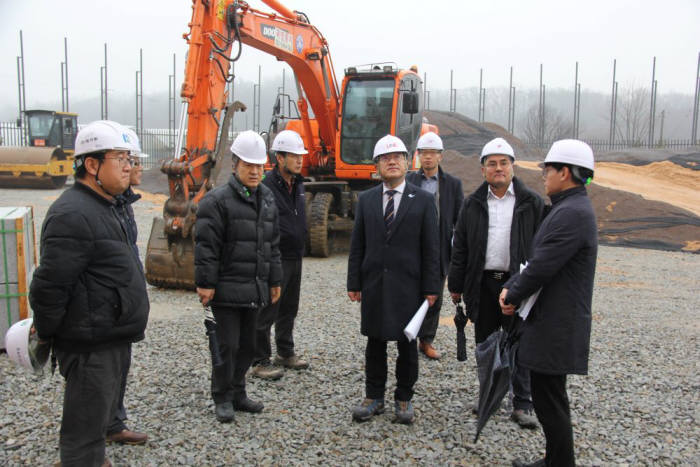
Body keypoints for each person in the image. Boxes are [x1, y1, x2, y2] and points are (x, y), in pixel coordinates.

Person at [29, 120, 150, 467]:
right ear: (92, 165)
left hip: (110, 331)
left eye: (130, 158)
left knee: (100, 407)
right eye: (120, 158)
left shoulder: (109, 204)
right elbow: (50, 285)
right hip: (88, 340)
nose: (129, 166)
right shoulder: (72, 214)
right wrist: (48, 333)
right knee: (84, 420)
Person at [501, 140, 597, 467]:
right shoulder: (568, 207)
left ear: (565, 172)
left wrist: (510, 293)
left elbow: (542, 265)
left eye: (549, 169)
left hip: (557, 323)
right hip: (552, 319)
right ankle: (555, 460)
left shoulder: (572, 213)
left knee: (550, 401)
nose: (544, 175)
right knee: (549, 398)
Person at [448, 137, 543, 429]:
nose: (498, 168)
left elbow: (541, 247)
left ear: (513, 167)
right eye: (492, 164)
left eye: (504, 163)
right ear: (483, 170)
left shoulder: (532, 203)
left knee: (520, 342)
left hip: (518, 282)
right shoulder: (473, 204)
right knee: (486, 343)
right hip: (483, 282)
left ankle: (523, 402)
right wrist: (456, 284)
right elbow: (461, 247)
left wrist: (532, 284)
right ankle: (488, 394)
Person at [347, 134, 440, 425]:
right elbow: (357, 243)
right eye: (385, 158)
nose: (392, 161)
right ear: (377, 166)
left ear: (405, 162)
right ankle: (373, 396)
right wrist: (354, 281)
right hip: (374, 283)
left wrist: (431, 287)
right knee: (374, 341)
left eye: (397, 157)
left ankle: (404, 398)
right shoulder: (366, 200)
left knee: (406, 345)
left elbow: (431, 248)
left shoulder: (423, 200)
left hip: (408, 286)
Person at [194, 130, 282, 423]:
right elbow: (207, 247)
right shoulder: (216, 201)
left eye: (260, 166)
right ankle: (222, 396)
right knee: (226, 345)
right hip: (225, 289)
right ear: (236, 165)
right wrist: (205, 283)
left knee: (248, 345)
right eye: (249, 165)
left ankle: (239, 392)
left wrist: (274, 280)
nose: (255, 171)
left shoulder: (267, 199)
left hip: (255, 287)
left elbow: (272, 245)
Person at [252, 130, 309, 380]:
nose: (299, 160)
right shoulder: (265, 186)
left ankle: (285, 352)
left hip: (295, 257)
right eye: (294, 156)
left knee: (289, 308)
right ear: (280, 157)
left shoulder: (299, 184)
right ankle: (259, 360)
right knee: (267, 308)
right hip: (275, 257)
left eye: (301, 156)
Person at [106, 126, 149, 446]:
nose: (137, 168)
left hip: (122, 307)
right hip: (106, 308)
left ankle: (113, 423)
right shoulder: (102, 205)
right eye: (133, 161)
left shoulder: (122, 203)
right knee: (98, 375)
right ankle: (85, 447)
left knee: (119, 367)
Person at [406, 131, 463, 360]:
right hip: (412, 248)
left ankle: (426, 340)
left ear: (440, 156)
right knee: (410, 294)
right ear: (418, 156)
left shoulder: (452, 185)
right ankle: (408, 336)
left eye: (432, 153)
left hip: (439, 249)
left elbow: (459, 218)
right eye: (424, 153)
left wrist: (457, 247)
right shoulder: (409, 180)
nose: (427, 158)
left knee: (434, 297)